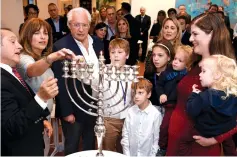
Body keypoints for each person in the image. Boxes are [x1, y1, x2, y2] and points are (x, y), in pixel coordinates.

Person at [166, 13, 237, 156]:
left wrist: (217, 139)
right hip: (176, 144)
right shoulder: (195, 63)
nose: (190, 38)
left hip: (197, 149)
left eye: (195, 34)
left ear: (212, 34)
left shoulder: (223, 71)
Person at [17, 18, 76, 156]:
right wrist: (51, 58)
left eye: (46, 33)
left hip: (44, 118)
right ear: (27, 35)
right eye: (37, 33)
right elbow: (31, 70)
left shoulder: (40, 58)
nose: (43, 37)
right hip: (31, 119)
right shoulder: (24, 58)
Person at [51, 7, 104, 155]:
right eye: (76, 25)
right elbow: (60, 82)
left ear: (90, 25)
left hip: (94, 103)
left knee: (90, 144)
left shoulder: (98, 44)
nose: (81, 29)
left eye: (84, 25)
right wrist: (67, 112)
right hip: (74, 107)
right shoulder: (61, 46)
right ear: (69, 25)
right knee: (72, 146)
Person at [1, 28, 58, 156]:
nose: (19, 46)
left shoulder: (11, 72)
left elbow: (21, 104)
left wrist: (41, 119)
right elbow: (11, 126)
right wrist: (41, 98)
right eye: (12, 42)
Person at [187, 55, 237, 156]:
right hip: (220, 134)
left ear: (217, 75)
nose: (200, 74)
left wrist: (193, 95)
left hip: (201, 133)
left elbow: (191, 109)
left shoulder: (205, 96)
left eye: (204, 71)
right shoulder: (233, 96)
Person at [156, 45, 193, 156]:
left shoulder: (187, 75)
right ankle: (162, 147)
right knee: (164, 127)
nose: (175, 62)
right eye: (175, 59)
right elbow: (159, 85)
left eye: (180, 61)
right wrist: (161, 94)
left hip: (181, 107)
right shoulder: (166, 73)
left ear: (187, 64)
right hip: (170, 106)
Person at [102, 38, 133, 153]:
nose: (116, 55)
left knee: (125, 150)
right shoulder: (103, 71)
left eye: (120, 52)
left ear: (127, 55)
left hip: (127, 119)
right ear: (109, 55)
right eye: (113, 52)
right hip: (109, 119)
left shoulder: (132, 72)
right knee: (107, 150)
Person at [121, 78, 162, 156]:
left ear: (149, 94)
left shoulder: (155, 114)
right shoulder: (130, 111)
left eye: (140, 93)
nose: (136, 96)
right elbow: (125, 136)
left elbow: (156, 140)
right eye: (134, 93)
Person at [144, 40, 175, 110]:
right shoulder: (149, 73)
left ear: (169, 57)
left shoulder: (173, 75)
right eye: (154, 55)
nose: (155, 59)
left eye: (160, 55)